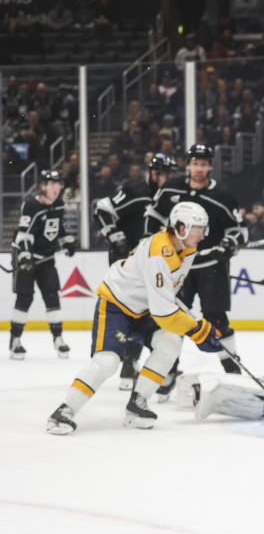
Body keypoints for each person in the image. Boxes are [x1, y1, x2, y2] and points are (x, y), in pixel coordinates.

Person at [46, 202, 224, 435]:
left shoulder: (186, 249)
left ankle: (137, 405)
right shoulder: (160, 253)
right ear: (180, 227)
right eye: (198, 229)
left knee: (170, 344)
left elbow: (168, 293)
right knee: (107, 362)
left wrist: (194, 323)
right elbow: (164, 312)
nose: (203, 235)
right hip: (116, 305)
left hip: (145, 308)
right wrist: (196, 331)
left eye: (204, 228)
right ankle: (64, 411)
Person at [145, 143, 248, 377]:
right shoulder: (171, 189)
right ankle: (168, 371)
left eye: (203, 164)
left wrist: (228, 244)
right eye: (195, 163)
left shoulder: (223, 195)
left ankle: (232, 369)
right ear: (188, 164)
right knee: (174, 320)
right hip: (178, 267)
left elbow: (239, 230)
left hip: (211, 267)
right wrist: (150, 242)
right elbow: (153, 216)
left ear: (210, 166)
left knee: (216, 319)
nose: (199, 168)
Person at [94, 153, 178, 389]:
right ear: (153, 173)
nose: (169, 178)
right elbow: (102, 208)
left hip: (150, 267)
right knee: (134, 311)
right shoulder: (136, 191)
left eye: (172, 174)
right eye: (165, 174)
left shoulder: (172, 199)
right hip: (125, 263)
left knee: (149, 314)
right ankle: (132, 364)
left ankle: (137, 365)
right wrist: (112, 233)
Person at [9, 170, 77, 360]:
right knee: (25, 297)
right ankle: (15, 340)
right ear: (43, 187)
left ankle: (58, 339)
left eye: (58, 185)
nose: (55, 189)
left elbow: (58, 227)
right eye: (51, 185)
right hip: (25, 256)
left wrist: (67, 241)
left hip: (46, 258)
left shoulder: (59, 204)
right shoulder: (31, 205)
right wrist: (25, 256)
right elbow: (24, 234)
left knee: (52, 295)